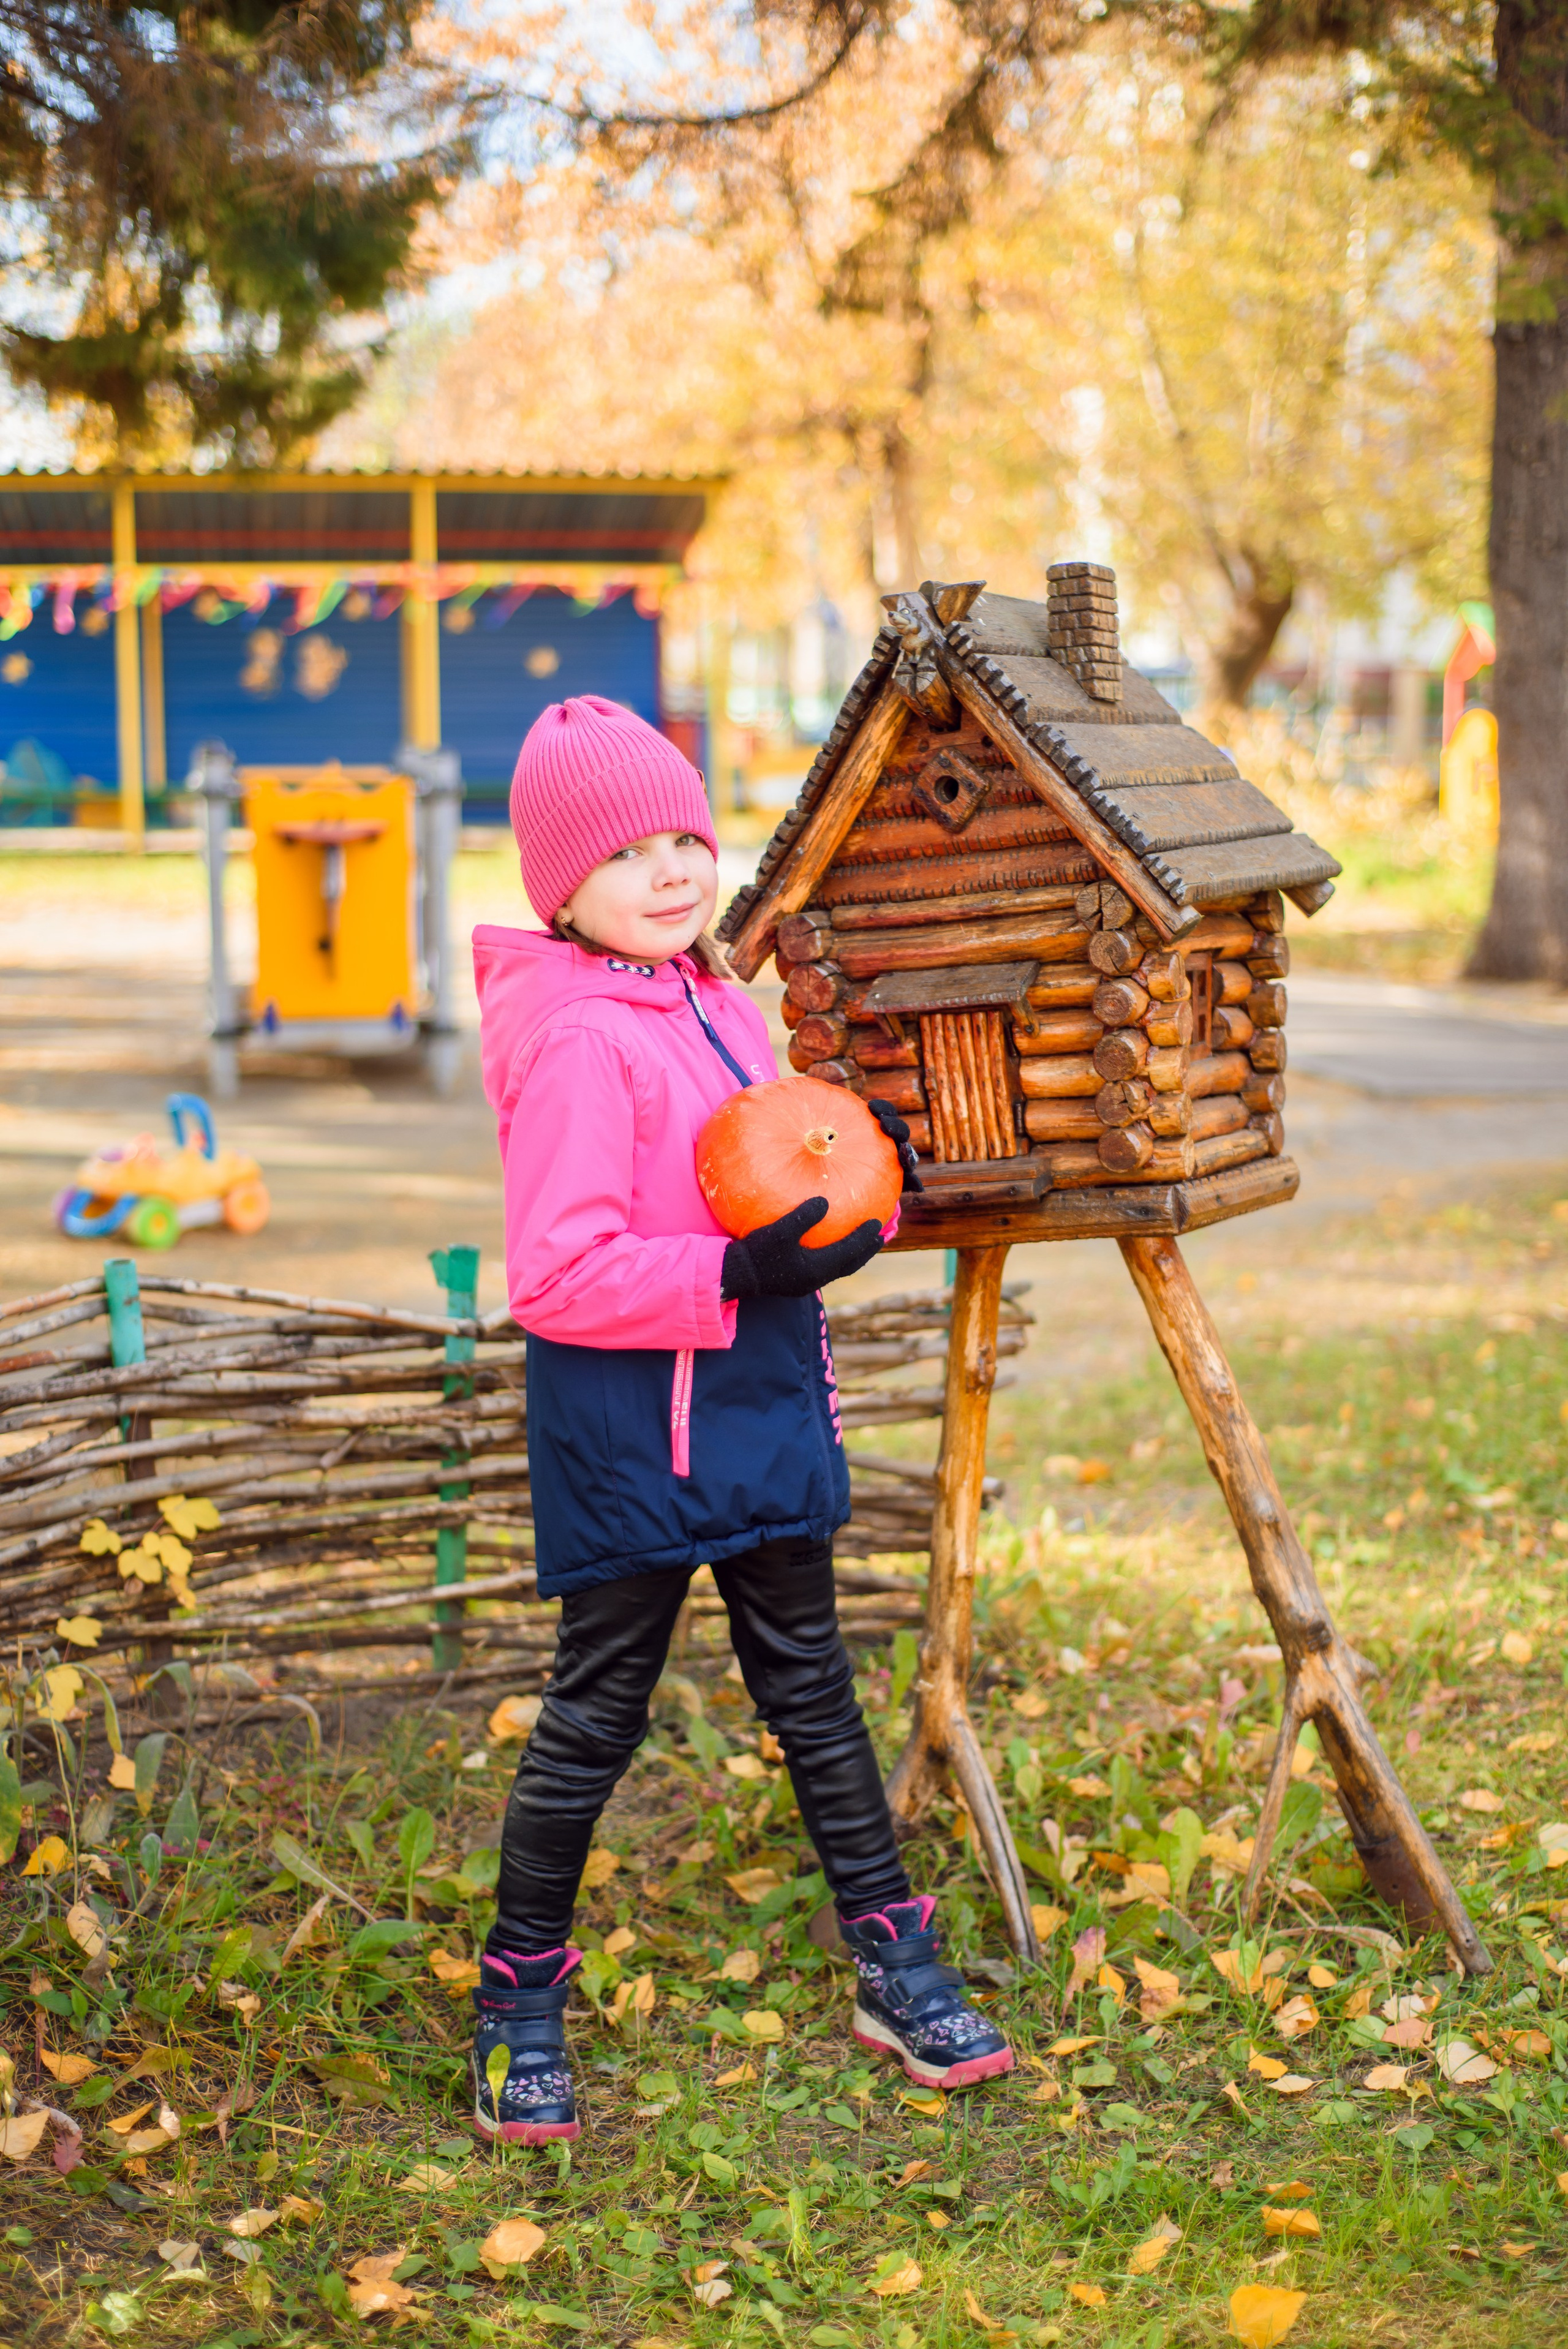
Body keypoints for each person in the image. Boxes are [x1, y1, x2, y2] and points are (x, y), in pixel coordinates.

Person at [469, 695, 1012, 2143]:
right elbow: (556, 1276)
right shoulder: (578, 1037)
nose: (667, 871)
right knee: (598, 1709)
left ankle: (891, 1960)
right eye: (622, 853)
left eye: (682, 838)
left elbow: (764, 1174)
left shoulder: (713, 1000)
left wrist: (851, 1196)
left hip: (754, 1400)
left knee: (812, 1689)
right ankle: (517, 1994)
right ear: (559, 889)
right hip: (631, 1431)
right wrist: (734, 1272)